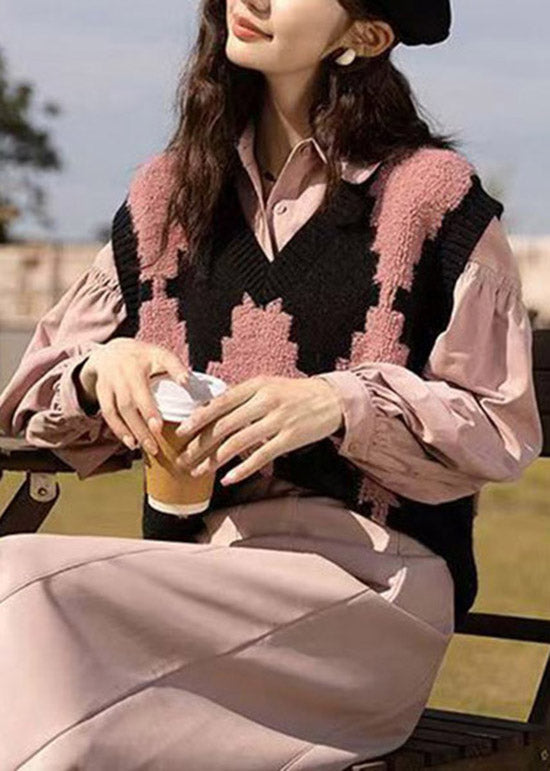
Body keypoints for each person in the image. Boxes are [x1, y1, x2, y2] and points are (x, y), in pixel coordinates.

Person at [0, 0, 544, 768]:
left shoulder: (432, 197)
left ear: (365, 35)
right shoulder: (165, 201)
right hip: (186, 587)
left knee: (20, 585)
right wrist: (98, 371)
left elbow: (500, 425)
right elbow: (31, 394)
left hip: (370, 595)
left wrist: (342, 403)